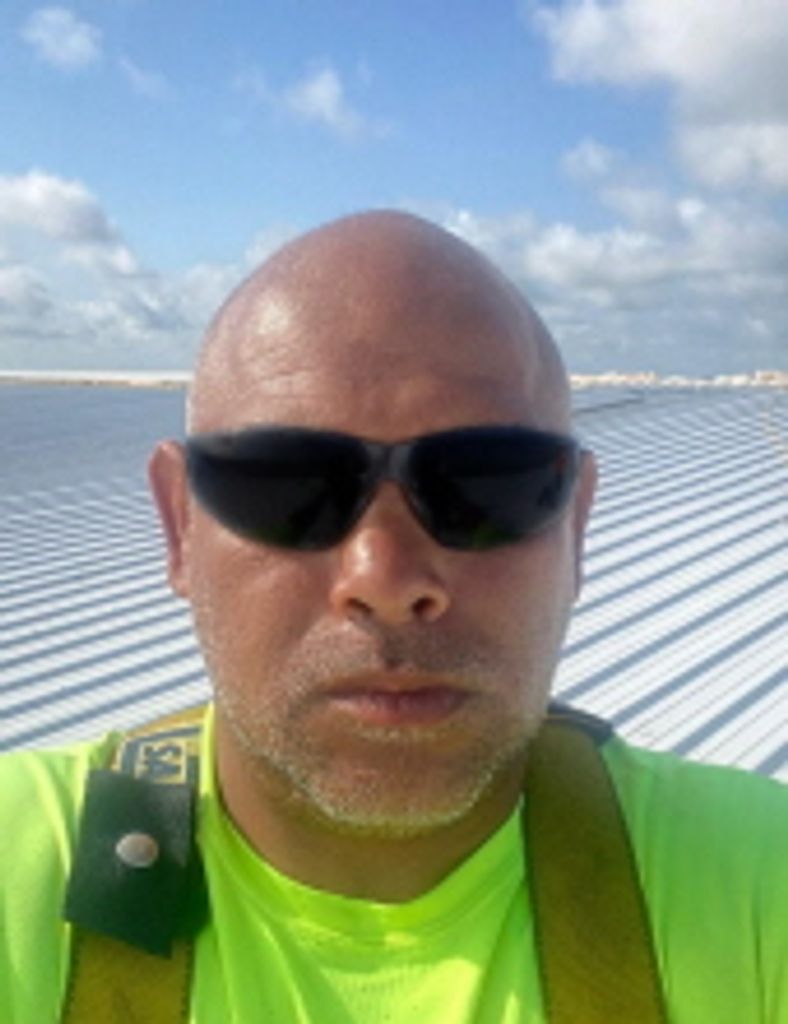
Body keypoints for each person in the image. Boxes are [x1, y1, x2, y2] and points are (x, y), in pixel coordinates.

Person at [1, 210, 786, 1023]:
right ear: (180, 526)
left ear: (576, 528)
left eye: (488, 485)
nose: (383, 578)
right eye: (286, 486)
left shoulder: (760, 879)